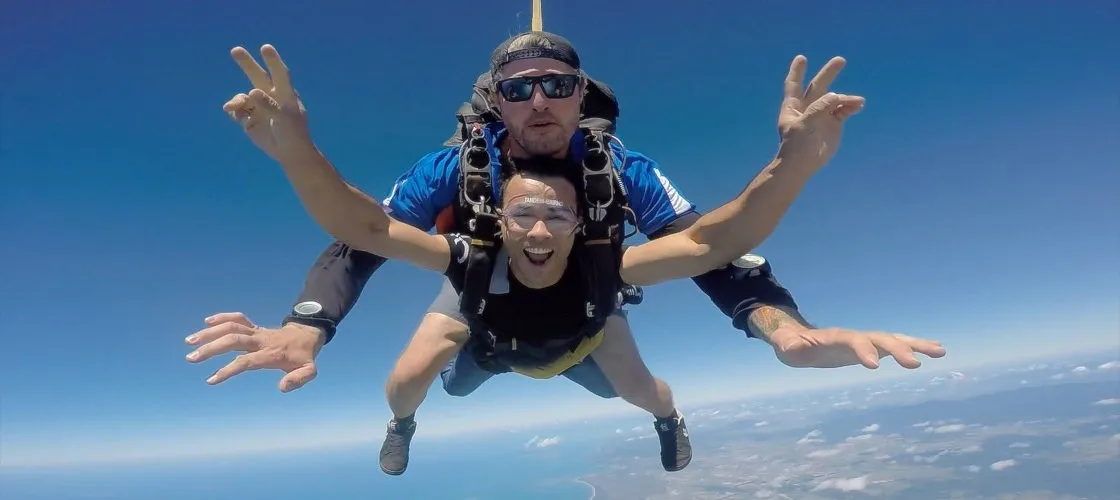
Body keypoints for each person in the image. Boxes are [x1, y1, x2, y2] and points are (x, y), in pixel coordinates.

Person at [186, 34, 946, 474]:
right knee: (409, 382)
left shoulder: (622, 172)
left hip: (590, 293)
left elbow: (714, 244)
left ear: (584, 96)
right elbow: (366, 233)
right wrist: (309, 322)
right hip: (482, 280)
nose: (540, 101)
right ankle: (405, 427)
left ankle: (666, 419)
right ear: (495, 103)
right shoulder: (452, 170)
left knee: (644, 391)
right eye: (520, 89)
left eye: (559, 84)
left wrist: (782, 326)